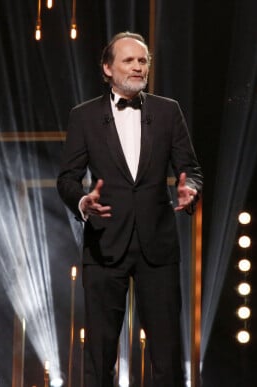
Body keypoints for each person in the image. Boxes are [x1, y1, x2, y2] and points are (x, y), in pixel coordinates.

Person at [57, 31, 203, 387]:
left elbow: (192, 170)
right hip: (105, 243)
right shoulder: (85, 116)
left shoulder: (168, 111)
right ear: (107, 68)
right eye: (129, 60)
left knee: (166, 356)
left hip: (158, 246)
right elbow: (67, 178)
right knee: (100, 354)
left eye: (143, 61)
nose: (138, 67)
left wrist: (190, 190)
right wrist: (82, 201)